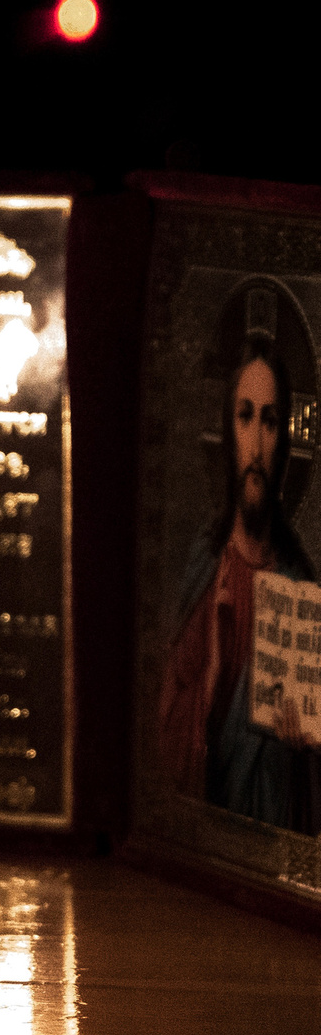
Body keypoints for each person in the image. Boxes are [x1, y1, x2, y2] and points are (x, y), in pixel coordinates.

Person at [156, 324, 316, 833]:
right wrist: (210, 678)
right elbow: (165, 743)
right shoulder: (203, 572)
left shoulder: (300, 588)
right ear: (229, 432)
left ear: (283, 440)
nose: (257, 444)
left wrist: (304, 746)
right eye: (245, 417)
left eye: (270, 421)